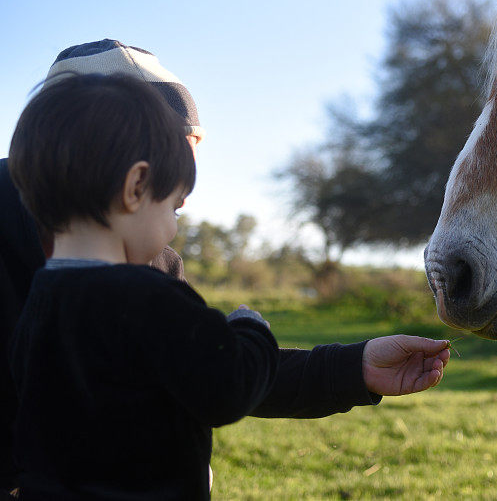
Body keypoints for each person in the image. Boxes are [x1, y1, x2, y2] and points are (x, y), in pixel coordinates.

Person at [0, 42, 450, 497]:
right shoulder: (142, 289)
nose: (177, 221)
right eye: (175, 199)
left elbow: (191, 367)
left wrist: (353, 368)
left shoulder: (61, 289)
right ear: (134, 182)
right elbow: (223, 381)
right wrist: (248, 329)